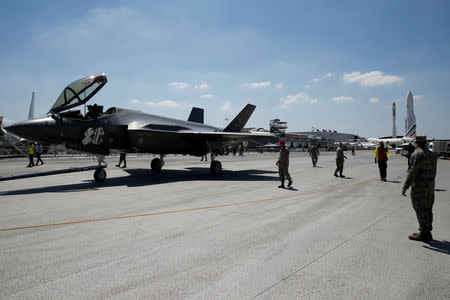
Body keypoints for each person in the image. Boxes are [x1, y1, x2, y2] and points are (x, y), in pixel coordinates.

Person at [402, 136, 437, 242]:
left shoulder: (417, 154)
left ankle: (424, 234)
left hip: (420, 188)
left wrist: (405, 186)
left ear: (416, 143)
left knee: (420, 209)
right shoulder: (431, 154)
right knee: (427, 209)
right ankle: (426, 231)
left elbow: (412, 172)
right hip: (430, 186)